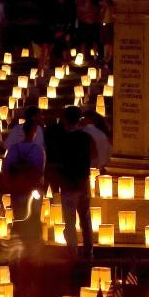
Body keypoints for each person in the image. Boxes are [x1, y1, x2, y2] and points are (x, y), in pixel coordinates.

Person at [58, 105, 92, 258]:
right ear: (80, 120)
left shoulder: (62, 139)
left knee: (70, 222)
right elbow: (94, 157)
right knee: (85, 219)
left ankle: (72, 251)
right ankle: (88, 250)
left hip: (67, 185)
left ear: (65, 120)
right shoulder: (86, 138)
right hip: (82, 184)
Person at [3, 118, 45, 241]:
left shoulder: (13, 149)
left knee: (18, 216)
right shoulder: (38, 150)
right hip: (33, 189)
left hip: (16, 188)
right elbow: (40, 170)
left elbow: (6, 167)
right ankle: (32, 244)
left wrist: (9, 184)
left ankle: (18, 242)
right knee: (33, 217)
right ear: (34, 131)